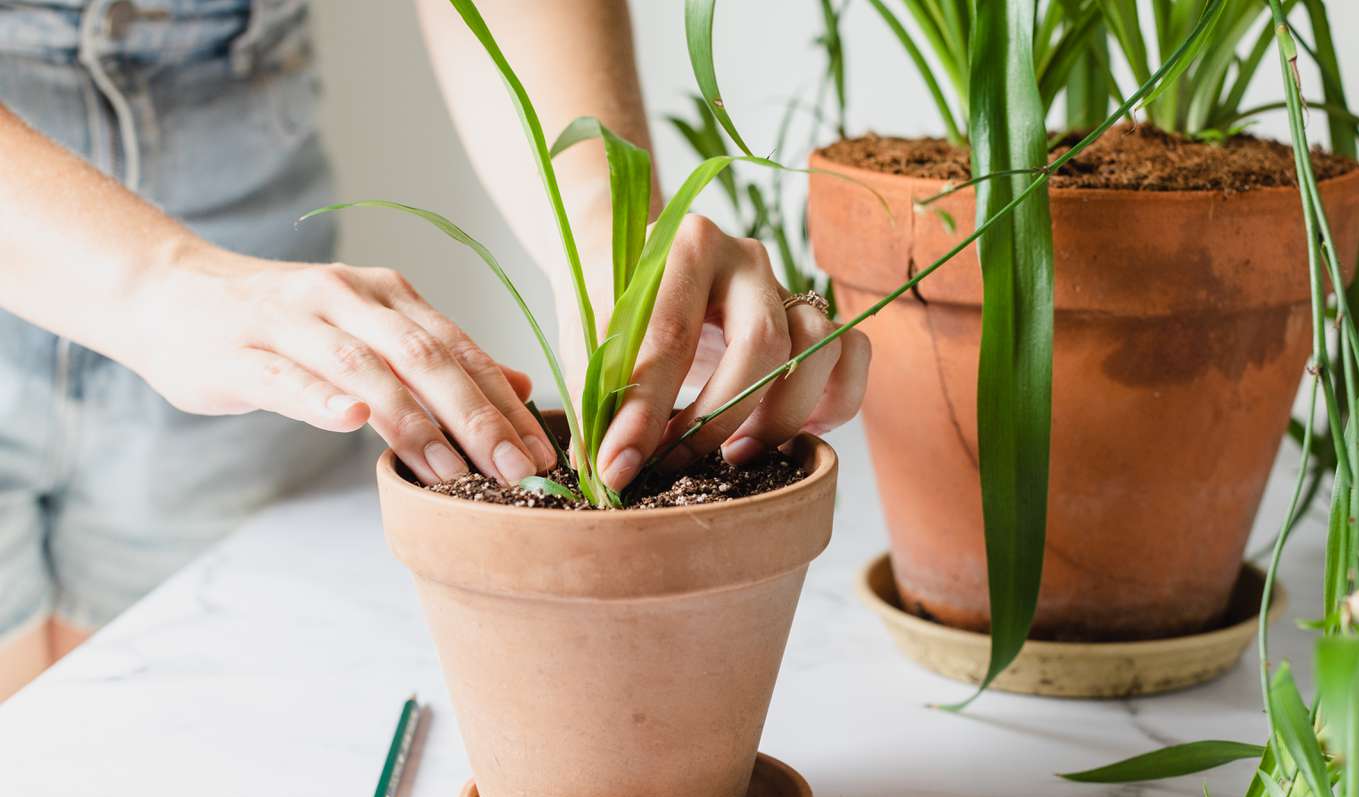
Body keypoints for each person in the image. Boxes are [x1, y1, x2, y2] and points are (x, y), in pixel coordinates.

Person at [0, 0, 870, 697]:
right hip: (157, 281)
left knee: (145, 724)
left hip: (244, 265)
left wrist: (618, 228)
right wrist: (156, 283)